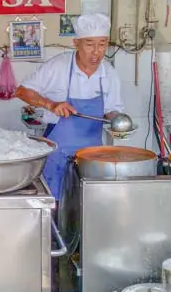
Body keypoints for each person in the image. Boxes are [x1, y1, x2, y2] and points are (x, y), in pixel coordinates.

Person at [15, 13, 124, 200]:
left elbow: (111, 109)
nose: (97, 51)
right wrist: (51, 104)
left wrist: (117, 121)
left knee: (87, 205)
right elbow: (22, 91)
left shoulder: (109, 73)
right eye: (90, 44)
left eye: (103, 44)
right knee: (56, 205)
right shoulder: (58, 66)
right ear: (76, 43)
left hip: (92, 155)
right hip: (58, 152)